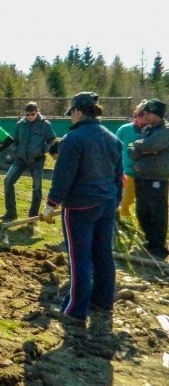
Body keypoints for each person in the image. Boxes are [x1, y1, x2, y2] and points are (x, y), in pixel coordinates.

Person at [39, 92, 123, 323]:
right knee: (103, 254)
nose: (70, 118)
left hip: (80, 207)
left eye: (71, 113)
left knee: (79, 257)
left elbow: (63, 177)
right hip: (107, 204)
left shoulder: (72, 140)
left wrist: (50, 206)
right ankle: (103, 301)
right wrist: (116, 203)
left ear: (77, 111)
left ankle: (75, 309)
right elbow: (118, 176)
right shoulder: (111, 138)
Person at [0, 102, 56, 221]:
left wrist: (42, 150)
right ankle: (10, 213)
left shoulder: (45, 125)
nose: (30, 116)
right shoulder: (20, 124)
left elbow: (52, 140)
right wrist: (16, 150)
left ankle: (32, 216)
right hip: (20, 159)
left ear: (38, 112)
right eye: (28, 114)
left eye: (32, 114)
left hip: (37, 160)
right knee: (8, 181)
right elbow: (14, 140)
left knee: (36, 188)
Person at [128, 99, 169, 260]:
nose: (143, 115)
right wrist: (141, 148)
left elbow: (152, 146)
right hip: (142, 176)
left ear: (155, 114)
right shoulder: (148, 129)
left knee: (157, 212)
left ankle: (159, 247)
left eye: (146, 113)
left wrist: (141, 148)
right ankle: (150, 242)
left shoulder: (165, 130)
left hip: (157, 178)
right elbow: (132, 149)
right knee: (142, 211)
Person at [115, 101, 146, 217]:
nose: (142, 118)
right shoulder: (125, 129)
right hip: (129, 172)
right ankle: (126, 223)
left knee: (145, 205)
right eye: (140, 114)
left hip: (148, 173)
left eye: (145, 114)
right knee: (126, 202)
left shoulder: (154, 131)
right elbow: (115, 147)